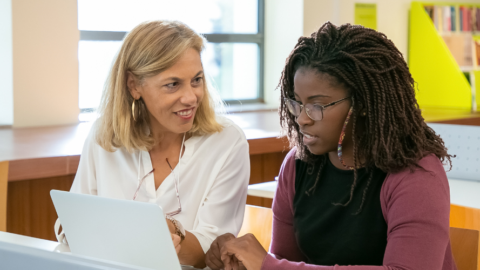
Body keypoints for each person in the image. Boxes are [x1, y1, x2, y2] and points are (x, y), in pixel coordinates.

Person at [205, 22, 456, 270]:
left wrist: (268, 265)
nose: (302, 118)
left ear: (364, 103)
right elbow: (284, 261)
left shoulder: (416, 174)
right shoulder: (297, 165)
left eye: (317, 106)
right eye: (297, 103)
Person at [55, 20, 250, 269]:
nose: (191, 97)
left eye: (197, 80)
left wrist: (172, 233)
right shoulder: (105, 136)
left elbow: (212, 253)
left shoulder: (227, 142)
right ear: (134, 85)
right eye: (173, 84)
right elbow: (70, 225)